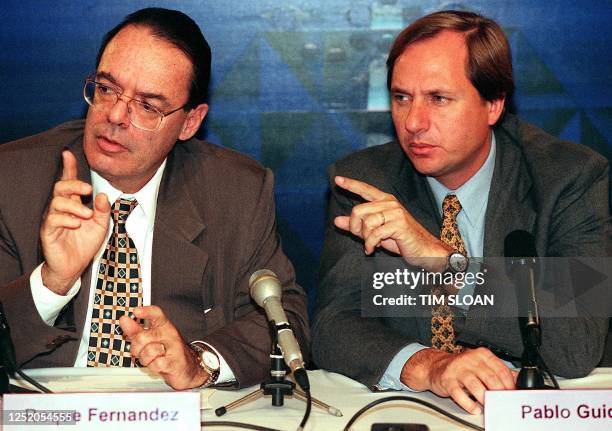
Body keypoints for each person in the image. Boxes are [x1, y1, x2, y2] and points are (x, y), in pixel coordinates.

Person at [312, 10, 610, 414]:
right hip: (412, 410)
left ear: (493, 104)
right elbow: (333, 326)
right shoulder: (364, 182)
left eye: (438, 98)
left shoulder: (567, 179)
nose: (413, 122)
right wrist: (428, 365)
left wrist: (447, 265)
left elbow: (577, 343)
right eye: (401, 97)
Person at [0, 7, 308, 390]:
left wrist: (200, 362)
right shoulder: (11, 180)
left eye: (147, 106)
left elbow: (285, 319)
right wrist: (52, 282)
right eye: (107, 88)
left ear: (190, 122)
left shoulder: (235, 190)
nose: (114, 116)